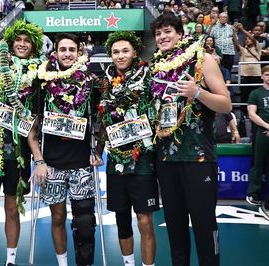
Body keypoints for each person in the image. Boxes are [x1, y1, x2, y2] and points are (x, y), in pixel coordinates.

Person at [150, 13, 231, 266]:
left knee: (205, 226)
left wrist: (197, 92)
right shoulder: (156, 67)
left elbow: (226, 103)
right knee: (175, 229)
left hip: (198, 158)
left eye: (167, 32)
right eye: (158, 34)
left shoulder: (201, 60)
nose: (162, 37)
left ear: (180, 34)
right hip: (165, 158)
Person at [29, 33, 101, 266]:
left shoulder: (90, 81)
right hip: (52, 165)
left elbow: (102, 120)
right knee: (58, 217)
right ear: (56, 52)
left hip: (81, 163)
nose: (67, 53)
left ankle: (84, 262)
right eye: (63, 49)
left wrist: (98, 149)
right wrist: (39, 160)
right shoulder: (43, 81)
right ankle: (62, 263)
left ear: (79, 52)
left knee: (84, 220)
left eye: (72, 49)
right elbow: (32, 126)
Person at [0, 19, 43, 266]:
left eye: (27, 41)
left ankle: (11, 260)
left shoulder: (38, 76)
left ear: (33, 47)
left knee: (13, 211)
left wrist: (38, 156)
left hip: (19, 151)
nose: (22, 44)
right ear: (11, 43)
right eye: (18, 40)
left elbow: (35, 118)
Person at [97, 31, 159, 266]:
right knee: (121, 219)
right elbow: (101, 120)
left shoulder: (148, 77)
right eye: (115, 52)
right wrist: (97, 148)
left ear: (135, 52)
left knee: (144, 220)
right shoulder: (104, 82)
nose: (120, 56)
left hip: (142, 160)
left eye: (125, 51)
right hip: (115, 161)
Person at [245, 65, 269, 213]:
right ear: (261, 76)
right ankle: (253, 194)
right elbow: (252, 114)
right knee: (258, 163)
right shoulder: (256, 93)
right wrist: (268, 127)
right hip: (262, 132)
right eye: (266, 74)